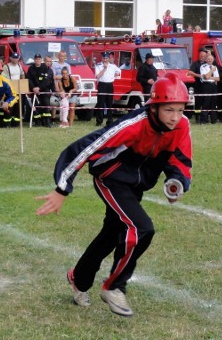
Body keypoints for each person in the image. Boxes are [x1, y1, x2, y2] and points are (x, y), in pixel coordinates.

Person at [35, 72, 192, 317]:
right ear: (154, 107)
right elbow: (85, 148)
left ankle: (78, 278)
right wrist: (61, 189)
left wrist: (177, 181)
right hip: (111, 178)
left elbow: (180, 160)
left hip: (136, 185)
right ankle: (114, 286)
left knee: (112, 234)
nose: (175, 117)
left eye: (180, 110)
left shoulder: (181, 126)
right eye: (169, 110)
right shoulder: (133, 124)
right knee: (141, 229)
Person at [27, 54, 55, 127]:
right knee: (35, 106)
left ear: (41, 60)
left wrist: (39, 88)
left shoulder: (45, 68)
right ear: (34, 60)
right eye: (36, 59)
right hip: (34, 91)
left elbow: (46, 81)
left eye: (39, 59)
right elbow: (29, 80)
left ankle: (47, 122)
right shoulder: (31, 68)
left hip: (44, 90)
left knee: (46, 106)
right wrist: (33, 88)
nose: (38, 60)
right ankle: (37, 122)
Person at [94, 51, 121, 127]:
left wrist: (115, 76)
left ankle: (110, 120)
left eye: (106, 58)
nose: (105, 60)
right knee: (101, 103)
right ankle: (99, 121)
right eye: (104, 58)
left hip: (110, 85)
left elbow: (119, 71)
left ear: (109, 59)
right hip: (102, 84)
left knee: (109, 103)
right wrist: (104, 69)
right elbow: (98, 76)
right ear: (102, 58)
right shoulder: (98, 66)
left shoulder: (113, 66)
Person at [1, 52, 26, 127]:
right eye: (14, 58)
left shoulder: (19, 66)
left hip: (18, 89)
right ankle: (6, 123)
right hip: (10, 90)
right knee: (10, 106)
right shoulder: (6, 67)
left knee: (18, 107)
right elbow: (3, 78)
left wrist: (22, 82)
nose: (15, 59)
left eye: (17, 58)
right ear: (11, 58)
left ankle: (15, 124)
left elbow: (22, 74)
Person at [199, 54, 219, 124]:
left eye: (211, 59)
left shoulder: (214, 67)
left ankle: (213, 120)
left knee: (213, 103)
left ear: (213, 60)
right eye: (209, 59)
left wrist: (210, 76)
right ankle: (203, 120)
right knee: (206, 103)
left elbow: (218, 78)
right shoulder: (203, 66)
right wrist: (211, 71)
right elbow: (206, 77)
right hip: (206, 86)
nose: (210, 60)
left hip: (213, 85)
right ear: (206, 60)